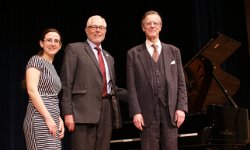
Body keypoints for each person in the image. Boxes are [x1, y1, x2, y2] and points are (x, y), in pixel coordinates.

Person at [60, 15, 127, 150]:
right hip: (82, 112)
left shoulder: (109, 57)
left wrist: (139, 97)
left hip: (106, 111)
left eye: (101, 27)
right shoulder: (75, 49)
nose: (97, 30)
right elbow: (66, 83)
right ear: (86, 30)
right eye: (93, 27)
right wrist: (67, 113)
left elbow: (112, 88)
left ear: (105, 31)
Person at [126, 10, 188, 150]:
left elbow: (181, 83)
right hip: (146, 113)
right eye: (148, 23)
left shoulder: (174, 51)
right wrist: (136, 112)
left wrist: (181, 108)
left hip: (170, 112)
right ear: (143, 27)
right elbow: (132, 87)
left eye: (155, 23)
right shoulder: (133, 54)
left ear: (160, 27)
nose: (152, 26)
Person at [23, 28, 65, 150]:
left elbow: (52, 96)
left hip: (52, 119)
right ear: (42, 43)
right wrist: (48, 117)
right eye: (49, 40)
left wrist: (58, 118)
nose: (53, 43)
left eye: (56, 41)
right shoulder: (36, 60)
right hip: (39, 119)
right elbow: (32, 90)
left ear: (60, 45)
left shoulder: (52, 67)